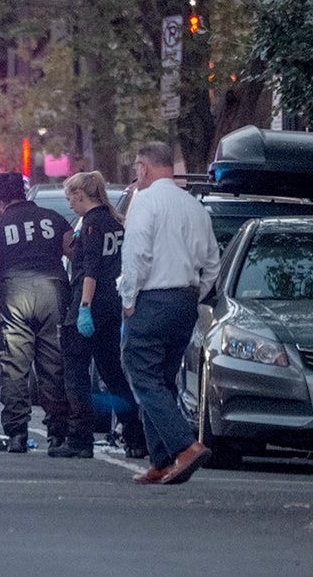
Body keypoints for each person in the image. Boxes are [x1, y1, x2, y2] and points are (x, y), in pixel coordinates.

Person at [118, 142, 220, 485]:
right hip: (185, 300)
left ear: (144, 167)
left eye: (136, 167)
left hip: (152, 298)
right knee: (163, 380)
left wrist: (129, 298)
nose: (136, 173)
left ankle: (184, 446)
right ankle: (161, 460)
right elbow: (213, 262)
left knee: (142, 375)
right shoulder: (194, 206)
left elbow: (136, 254)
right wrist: (195, 293)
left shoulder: (145, 201)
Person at [0, 172, 75, 455]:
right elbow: (75, 253)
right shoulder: (53, 219)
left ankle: (17, 434)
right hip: (53, 294)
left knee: (15, 367)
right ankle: (58, 435)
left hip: (15, 295)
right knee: (53, 366)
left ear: (0, 202)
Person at [62, 171, 146, 459]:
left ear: (80, 195)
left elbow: (91, 270)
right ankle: (135, 434)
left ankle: (80, 437)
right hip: (113, 304)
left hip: (90, 303)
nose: (69, 204)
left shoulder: (91, 225)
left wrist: (84, 307)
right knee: (112, 372)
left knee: (76, 370)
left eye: (70, 198)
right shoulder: (115, 222)